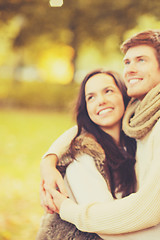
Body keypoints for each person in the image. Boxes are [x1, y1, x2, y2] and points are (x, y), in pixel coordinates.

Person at [40, 29, 160, 239]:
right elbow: (91, 124)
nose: (130, 69)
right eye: (127, 62)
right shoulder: (146, 117)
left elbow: (147, 210)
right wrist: (49, 160)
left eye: (141, 60)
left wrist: (66, 209)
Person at [37, 69, 137, 240]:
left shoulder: (133, 146)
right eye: (91, 97)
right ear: (86, 109)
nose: (101, 101)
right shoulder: (82, 158)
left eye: (108, 91)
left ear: (124, 96)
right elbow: (108, 225)